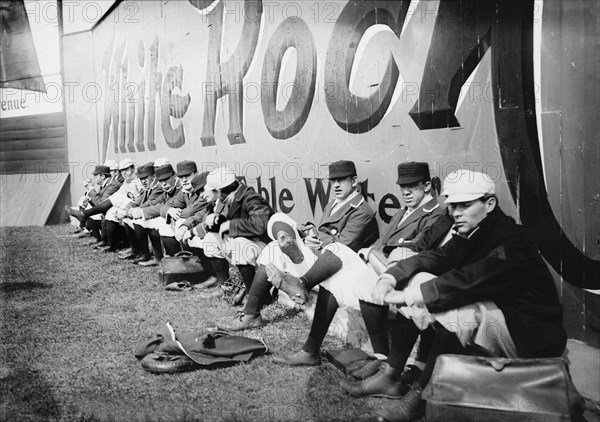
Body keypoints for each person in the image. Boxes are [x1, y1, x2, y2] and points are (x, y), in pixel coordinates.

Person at [341, 169, 567, 422]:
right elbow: (435, 257)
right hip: (501, 319)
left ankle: (420, 397)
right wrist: (391, 277)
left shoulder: (512, 239)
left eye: (464, 205)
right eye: (452, 206)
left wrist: (411, 296)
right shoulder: (473, 231)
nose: (456, 213)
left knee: (454, 310)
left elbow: (470, 280)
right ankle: (393, 374)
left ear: (489, 204)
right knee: (420, 281)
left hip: (532, 334)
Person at [219, 160, 379, 330]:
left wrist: (315, 237)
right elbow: (324, 233)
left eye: (342, 180)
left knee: (278, 247)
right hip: (318, 255)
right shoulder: (334, 202)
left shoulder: (361, 211)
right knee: (276, 229)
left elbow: (342, 248)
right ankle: (252, 314)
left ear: (354, 181)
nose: (336, 185)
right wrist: (308, 232)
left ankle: (294, 284)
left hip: (332, 268)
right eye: (333, 181)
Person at [197, 166, 274, 299]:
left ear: (220, 190)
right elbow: (232, 224)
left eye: (214, 191)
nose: (214, 195)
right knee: (211, 239)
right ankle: (225, 287)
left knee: (240, 244)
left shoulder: (251, 198)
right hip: (250, 245)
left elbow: (260, 225)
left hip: (267, 249)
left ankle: (253, 297)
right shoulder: (230, 198)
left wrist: (231, 226)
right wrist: (218, 220)